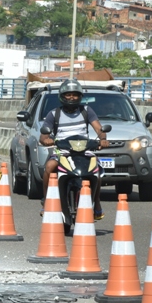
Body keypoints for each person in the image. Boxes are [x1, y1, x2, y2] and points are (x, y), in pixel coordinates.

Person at [40, 79, 108, 220]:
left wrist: (102, 139)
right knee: (49, 166)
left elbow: (98, 128)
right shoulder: (54, 114)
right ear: (62, 96)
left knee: (97, 170)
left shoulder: (87, 111)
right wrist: (47, 140)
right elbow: (43, 136)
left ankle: (97, 204)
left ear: (80, 96)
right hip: (63, 150)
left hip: (84, 150)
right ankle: (46, 201)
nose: (72, 97)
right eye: (68, 94)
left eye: (75, 95)